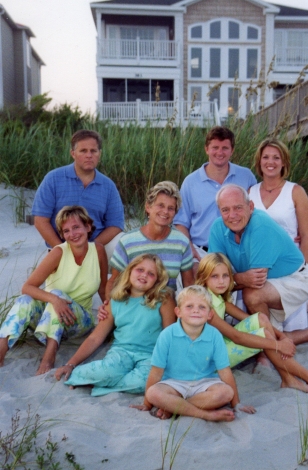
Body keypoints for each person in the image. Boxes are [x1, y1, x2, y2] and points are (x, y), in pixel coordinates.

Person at [208, 184, 308, 348]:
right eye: (225, 210)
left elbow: (255, 281)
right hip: (268, 282)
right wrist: (240, 278)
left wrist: (236, 280)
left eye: (238, 208)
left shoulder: (260, 226)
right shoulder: (217, 228)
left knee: (252, 295)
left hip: (297, 278)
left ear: (250, 207)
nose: (232, 215)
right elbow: (211, 276)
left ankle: (267, 350)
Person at [196, 253, 308, 393]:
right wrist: (278, 345)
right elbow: (236, 337)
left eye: (225, 276)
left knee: (261, 318)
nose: (221, 281)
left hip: (220, 343)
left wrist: (282, 337)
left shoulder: (218, 297)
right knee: (265, 336)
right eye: (214, 277)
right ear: (204, 278)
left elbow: (252, 319)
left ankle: (288, 379)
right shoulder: (204, 305)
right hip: (210, 359)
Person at [0, 206, 108, 375]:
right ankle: (1, 351)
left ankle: (48, 357)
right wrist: (54, 300)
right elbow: (27, 287)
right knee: (26, 300)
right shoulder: (58, 253)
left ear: (88, 227)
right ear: (62, 235)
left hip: (79, 323)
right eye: (66, 231)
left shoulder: (99, 251)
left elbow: (103, 287)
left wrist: (110, 311)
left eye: (76, 227)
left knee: (57, 295)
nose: (72, 234)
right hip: (47, 321)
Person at [55, 254, 176, 396]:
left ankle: (101, 386)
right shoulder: (116, 300)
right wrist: (71, 364)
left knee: (145, 382)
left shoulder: (163, 299)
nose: (144, 275)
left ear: (157, 281)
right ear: (130, 271)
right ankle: (101, 380)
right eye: (140, 270)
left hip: (150, 354)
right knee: (106, 371)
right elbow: (95, 338)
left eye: (151, 274)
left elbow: (170, 335)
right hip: (121, 351)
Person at [131, 286, 256, 421]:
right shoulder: (167, 335)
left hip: (204, 383)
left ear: (210, 314)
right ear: (178, 312)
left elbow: (225, 371)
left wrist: (236, 404)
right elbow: (156, 372)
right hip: (174, 384)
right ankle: (206, 414)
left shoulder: (215, 335)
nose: (196, 310)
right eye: (189, 306)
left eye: (202, 307)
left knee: (226, 393)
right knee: (153, 393)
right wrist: (147, 404)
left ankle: (173, 408)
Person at [249, 138, 308, 330]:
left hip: (288, 261)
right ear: (259, 162)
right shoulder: (250, 192)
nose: (271, 162)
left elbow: (307, 235)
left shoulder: (295, 192)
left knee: (289, 325)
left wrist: (302, 270)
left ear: (284, 162)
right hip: (258, 262)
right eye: (266, 157)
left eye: (276, 158)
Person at [32, 129, 124, 260]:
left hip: (97, 246)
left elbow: (116, 224)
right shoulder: (53, 179)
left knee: (124, 244)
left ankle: (115, 280)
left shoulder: (108, 185)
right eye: (83, 151)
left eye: (93, 151)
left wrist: (92, 247)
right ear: (73, 153)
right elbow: (40, 221)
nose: (89, 155)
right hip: (60, 248)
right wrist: (63, 251)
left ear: (100, 153)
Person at [174, 126, 256, 267]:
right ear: (206, 149)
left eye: (225, 148)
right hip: (202, 252)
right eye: (215, 147)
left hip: (240, 251)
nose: (220, 152)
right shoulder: (190, 182)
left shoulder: (246, 176)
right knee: (194, 284)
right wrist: (190, 249)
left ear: (232, 150)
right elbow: (181, 223)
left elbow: (255, 212)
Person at [107, 181, 194, 297]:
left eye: (171, 208)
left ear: (175, 213)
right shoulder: (128, 241)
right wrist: (108, 308)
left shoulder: (182, 242)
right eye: (161, 205)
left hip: (166, 306)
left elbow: (189, 284)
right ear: (148, 207)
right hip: (134, 305)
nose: (165, 212)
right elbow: (114, 281)